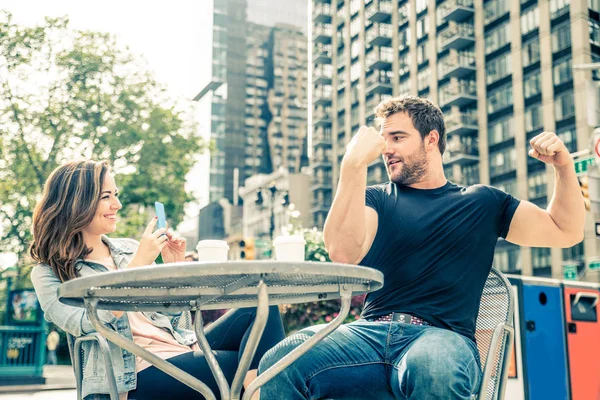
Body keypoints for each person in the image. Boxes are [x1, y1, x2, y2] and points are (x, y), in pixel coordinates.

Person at [258, 96, 585, 399]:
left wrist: (563, 167)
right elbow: (343, 252)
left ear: (431, 139)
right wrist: (352, 165)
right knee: (280, 361)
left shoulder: (481, 202)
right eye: (383, 140)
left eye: (397, 137)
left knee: (431, 368)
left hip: (441, 339)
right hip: (367, 336)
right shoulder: (376, 199)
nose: (386, 149)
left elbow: (564, 231)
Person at [30, 160, 285, 400]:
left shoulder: (129, 249)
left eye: (116, 194)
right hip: (132, 376)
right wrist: (138, 265)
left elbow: (177, 320)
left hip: (179, 350)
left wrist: (174, 269)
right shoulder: (48, 272)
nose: (116, 204)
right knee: (256, 366)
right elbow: (87, 324)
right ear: (76, 203)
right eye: (106, 197)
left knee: (262, 305)